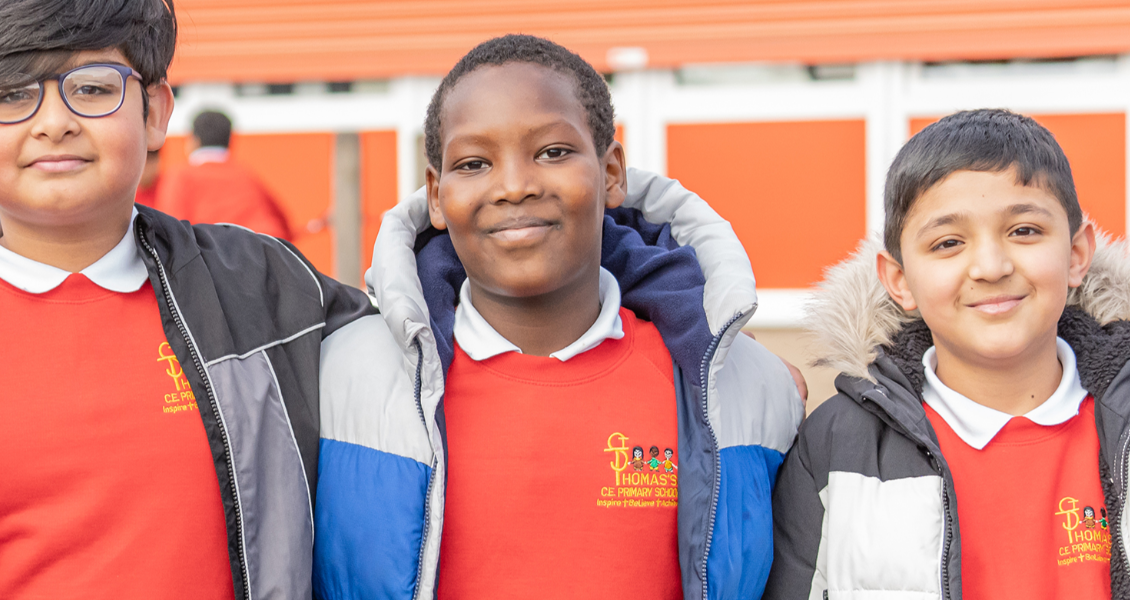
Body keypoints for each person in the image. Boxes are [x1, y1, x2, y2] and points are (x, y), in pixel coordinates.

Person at [0, 0, 374, 598]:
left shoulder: (267, 291)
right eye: (10, 93)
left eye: (93, 88)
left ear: (155, 112)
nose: (54, 122)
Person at [312, 34, 804, 600]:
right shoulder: (339, 380)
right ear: (437, 196)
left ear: (612, 171)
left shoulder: (741, 389)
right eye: (474, 163)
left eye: (553, 152)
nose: (515, 185)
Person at [767, 109, 1130, 599]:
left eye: (1024, 231)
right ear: (899, 280)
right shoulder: (839, 445)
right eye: (948, 243)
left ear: (1076, 256)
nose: (990, 265)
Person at [151, 109, 293, 239]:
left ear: (194, 140)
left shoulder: (179, 176)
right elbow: (282, 222)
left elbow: (170, 230)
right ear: (230, 140)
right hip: (264, 248)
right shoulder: (246, 175)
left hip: (213, 254)